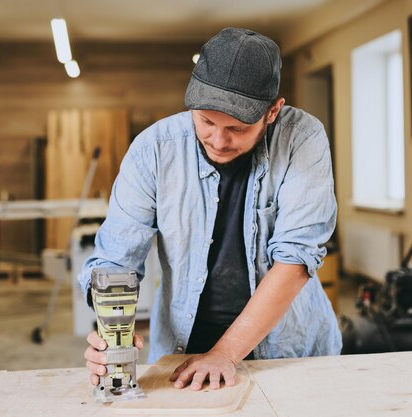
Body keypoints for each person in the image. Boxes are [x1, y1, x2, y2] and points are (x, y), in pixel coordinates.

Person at [80, 27, 341, 391]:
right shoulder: (154, 150)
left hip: (287, 351)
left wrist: (226, 352)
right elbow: (116, 260)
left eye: (236, 128)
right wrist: (110, 333)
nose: (218, 141)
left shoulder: (302, 138)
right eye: (205, 121)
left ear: (272, 112)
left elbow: (296, 258)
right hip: (183, 347)